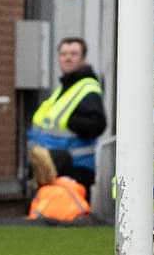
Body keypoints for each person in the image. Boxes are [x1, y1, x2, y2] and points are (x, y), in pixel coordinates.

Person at [26, 37, 107, 189]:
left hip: (74, 171)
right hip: (52, 170)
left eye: (73, 54)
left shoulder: (87, 88)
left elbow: (98, 125)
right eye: (63, 54)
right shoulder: (65, 87)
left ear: (83, 59)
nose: (67, 58)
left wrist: (72, 121)